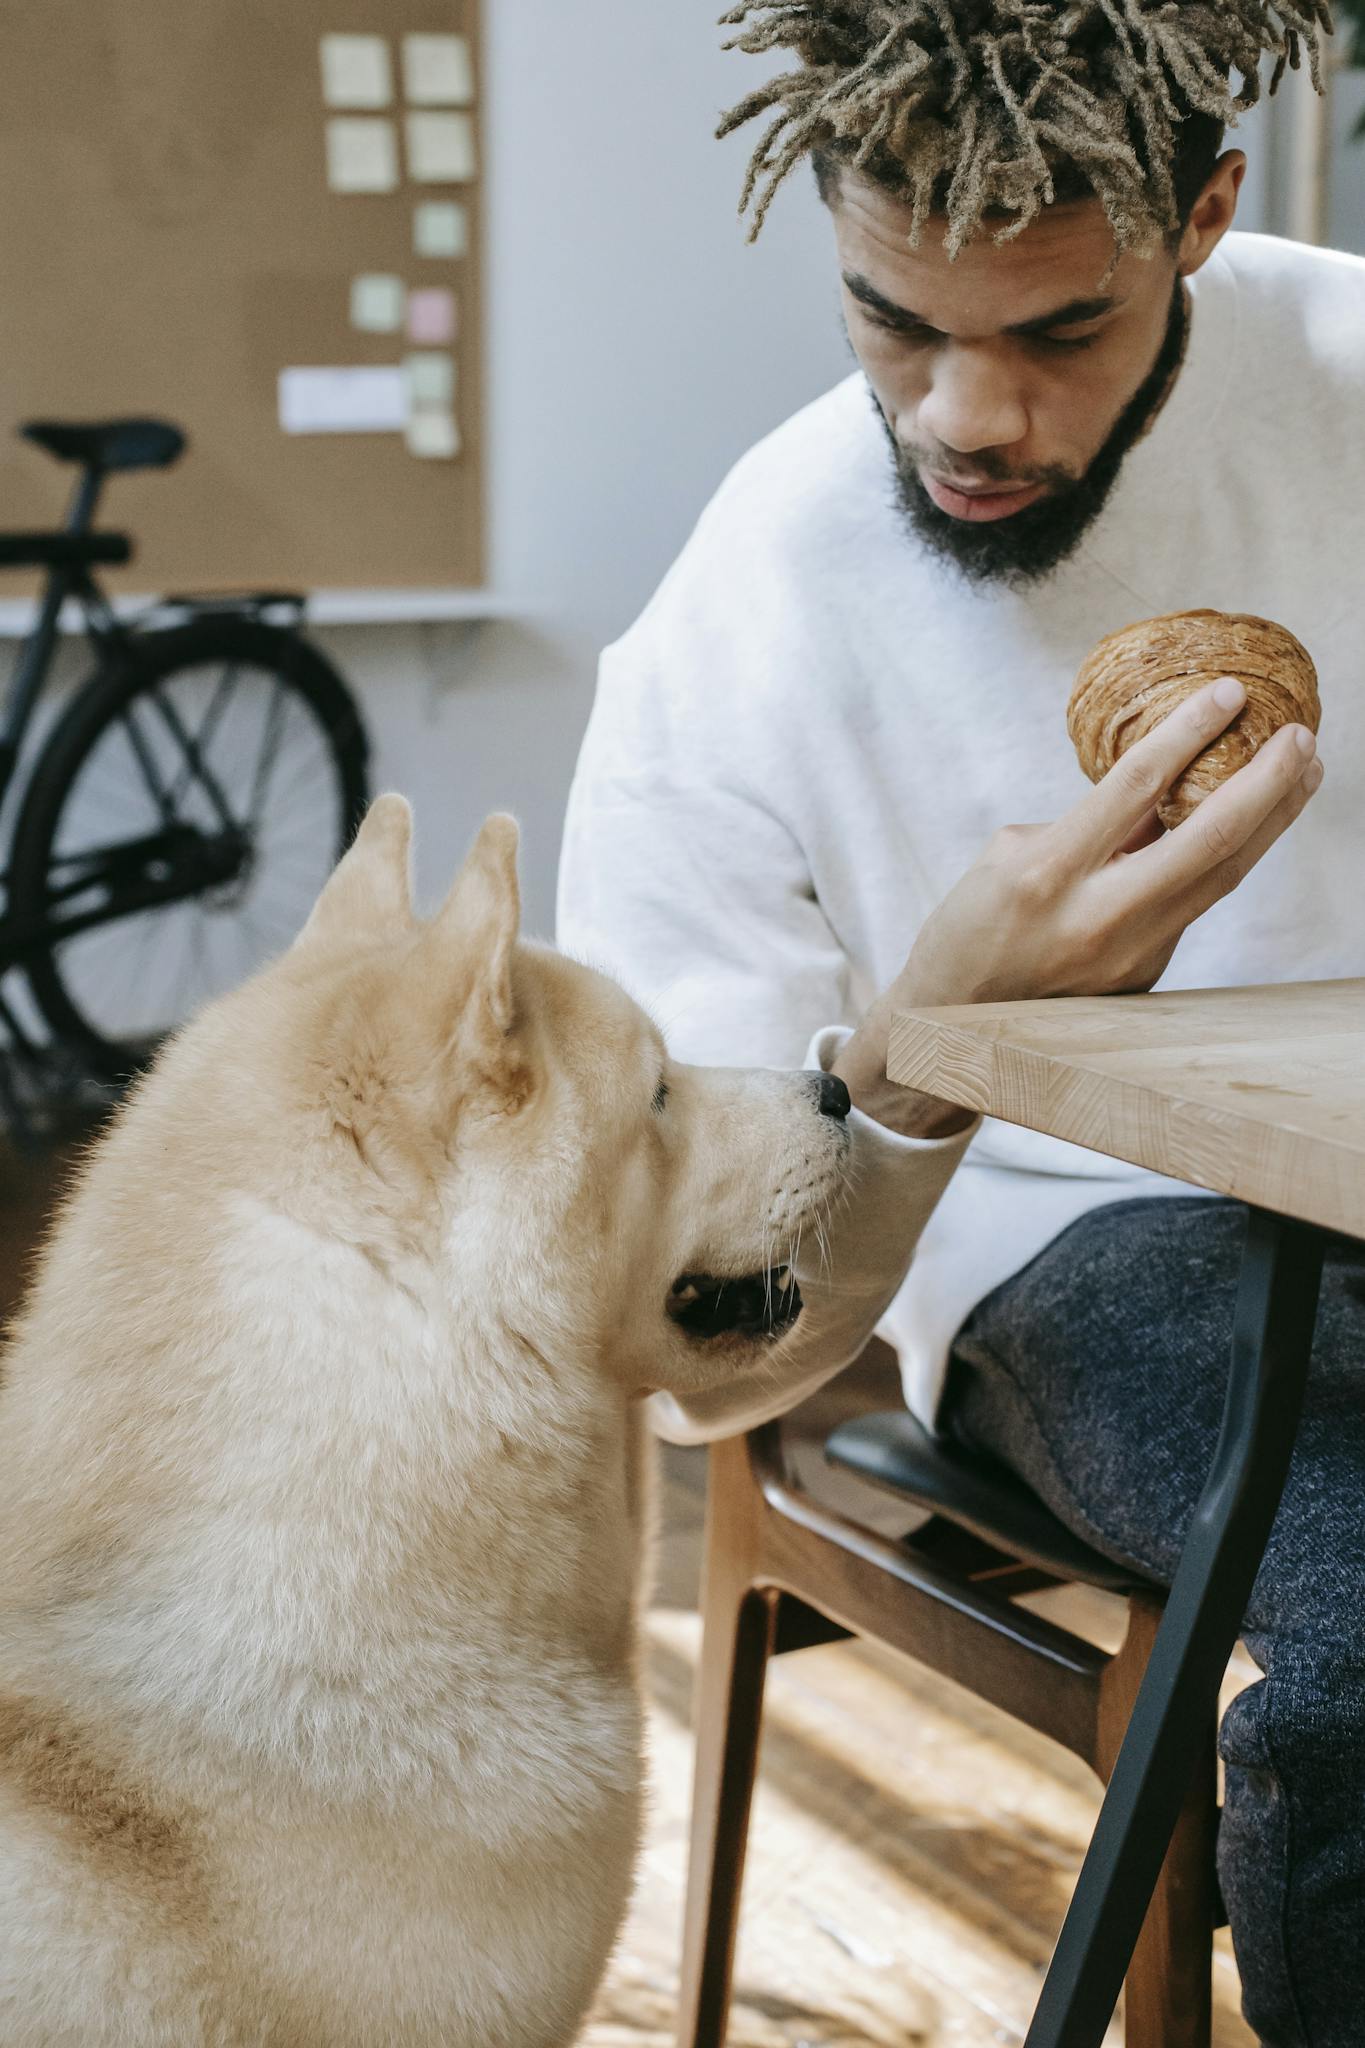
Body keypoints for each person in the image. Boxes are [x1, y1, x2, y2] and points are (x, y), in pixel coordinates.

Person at [556, 2, 1365, 2038]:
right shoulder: (739, 626)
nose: (960, 415)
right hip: (1074, 1235)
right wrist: (929, 1040)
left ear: (1198, 217)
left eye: (1053, 335)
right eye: (888, 321)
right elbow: (706, 1349)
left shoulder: (1347, 372)